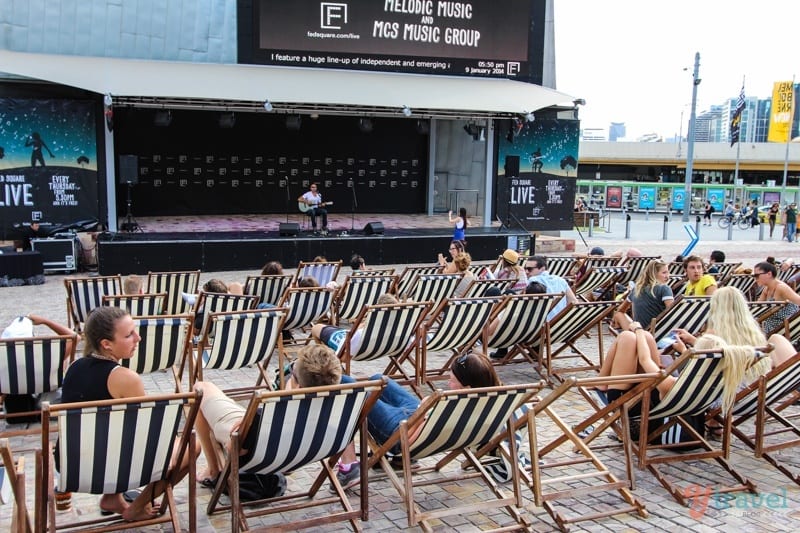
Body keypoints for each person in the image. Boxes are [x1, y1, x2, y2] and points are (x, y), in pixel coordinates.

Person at [60, 306, 195, 521]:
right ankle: (137, 509)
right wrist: (177, 442)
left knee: (111, 430)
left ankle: (112, 499)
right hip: (111, 469)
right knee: (191, 446)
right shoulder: (124, 378)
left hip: (73, 465)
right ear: (106, 344)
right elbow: (147, 435)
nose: (138, 338)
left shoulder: (75, 366)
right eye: (129, 334)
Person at [333, 351, 501, 483]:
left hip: (400, 430)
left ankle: (349, 467)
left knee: (346, 384)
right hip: (417, 416)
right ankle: (383, 461)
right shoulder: (490, 401)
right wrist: (424, 410)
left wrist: (423, 411)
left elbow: (407, 441)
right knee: (378, 378)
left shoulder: (447, 407)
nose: (448, 384)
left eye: (451, 380)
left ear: (467, 387)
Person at [193, 344, 341, 488]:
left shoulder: (262, 418)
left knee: (202, 388)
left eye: (291, 373)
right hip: (301, 455)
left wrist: (244, 424)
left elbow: (234, 449)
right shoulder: (342, 411)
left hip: (260, 449)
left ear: (298, 386)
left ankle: (213, 471)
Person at [311, 293, 399, 356]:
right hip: (381, 350)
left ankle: (328, 359)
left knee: (316, 328)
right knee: (331, 328)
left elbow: (354, 334)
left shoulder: (369, 327)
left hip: (348, 347)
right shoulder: (399, 329)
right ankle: (329, 357)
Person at [613, 260, 674, 332]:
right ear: (654, 274)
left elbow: (621, 309)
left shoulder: (636, 289)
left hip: (638, 333)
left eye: (668, 272)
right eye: (664, 273)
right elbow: (672, 312)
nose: (667, 276)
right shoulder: (664, 288)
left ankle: (623, 338)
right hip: (657, 332)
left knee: (618, 314)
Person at [751, 261, 800, 335]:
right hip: (774, 324)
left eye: (757, 275)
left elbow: (798, 301)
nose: (755, 278)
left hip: (785, 326)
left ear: (769, 274)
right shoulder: (766, 289)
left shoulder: (780, 287)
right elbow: (758, 307)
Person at [524, 255, 578, 320]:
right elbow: (574, 302)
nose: (526, 272)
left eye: (530, 269)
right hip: (559, 321)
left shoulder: (532, 281)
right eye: (525, 268)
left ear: (542, 269)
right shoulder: (560, 280)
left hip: (542, 324)